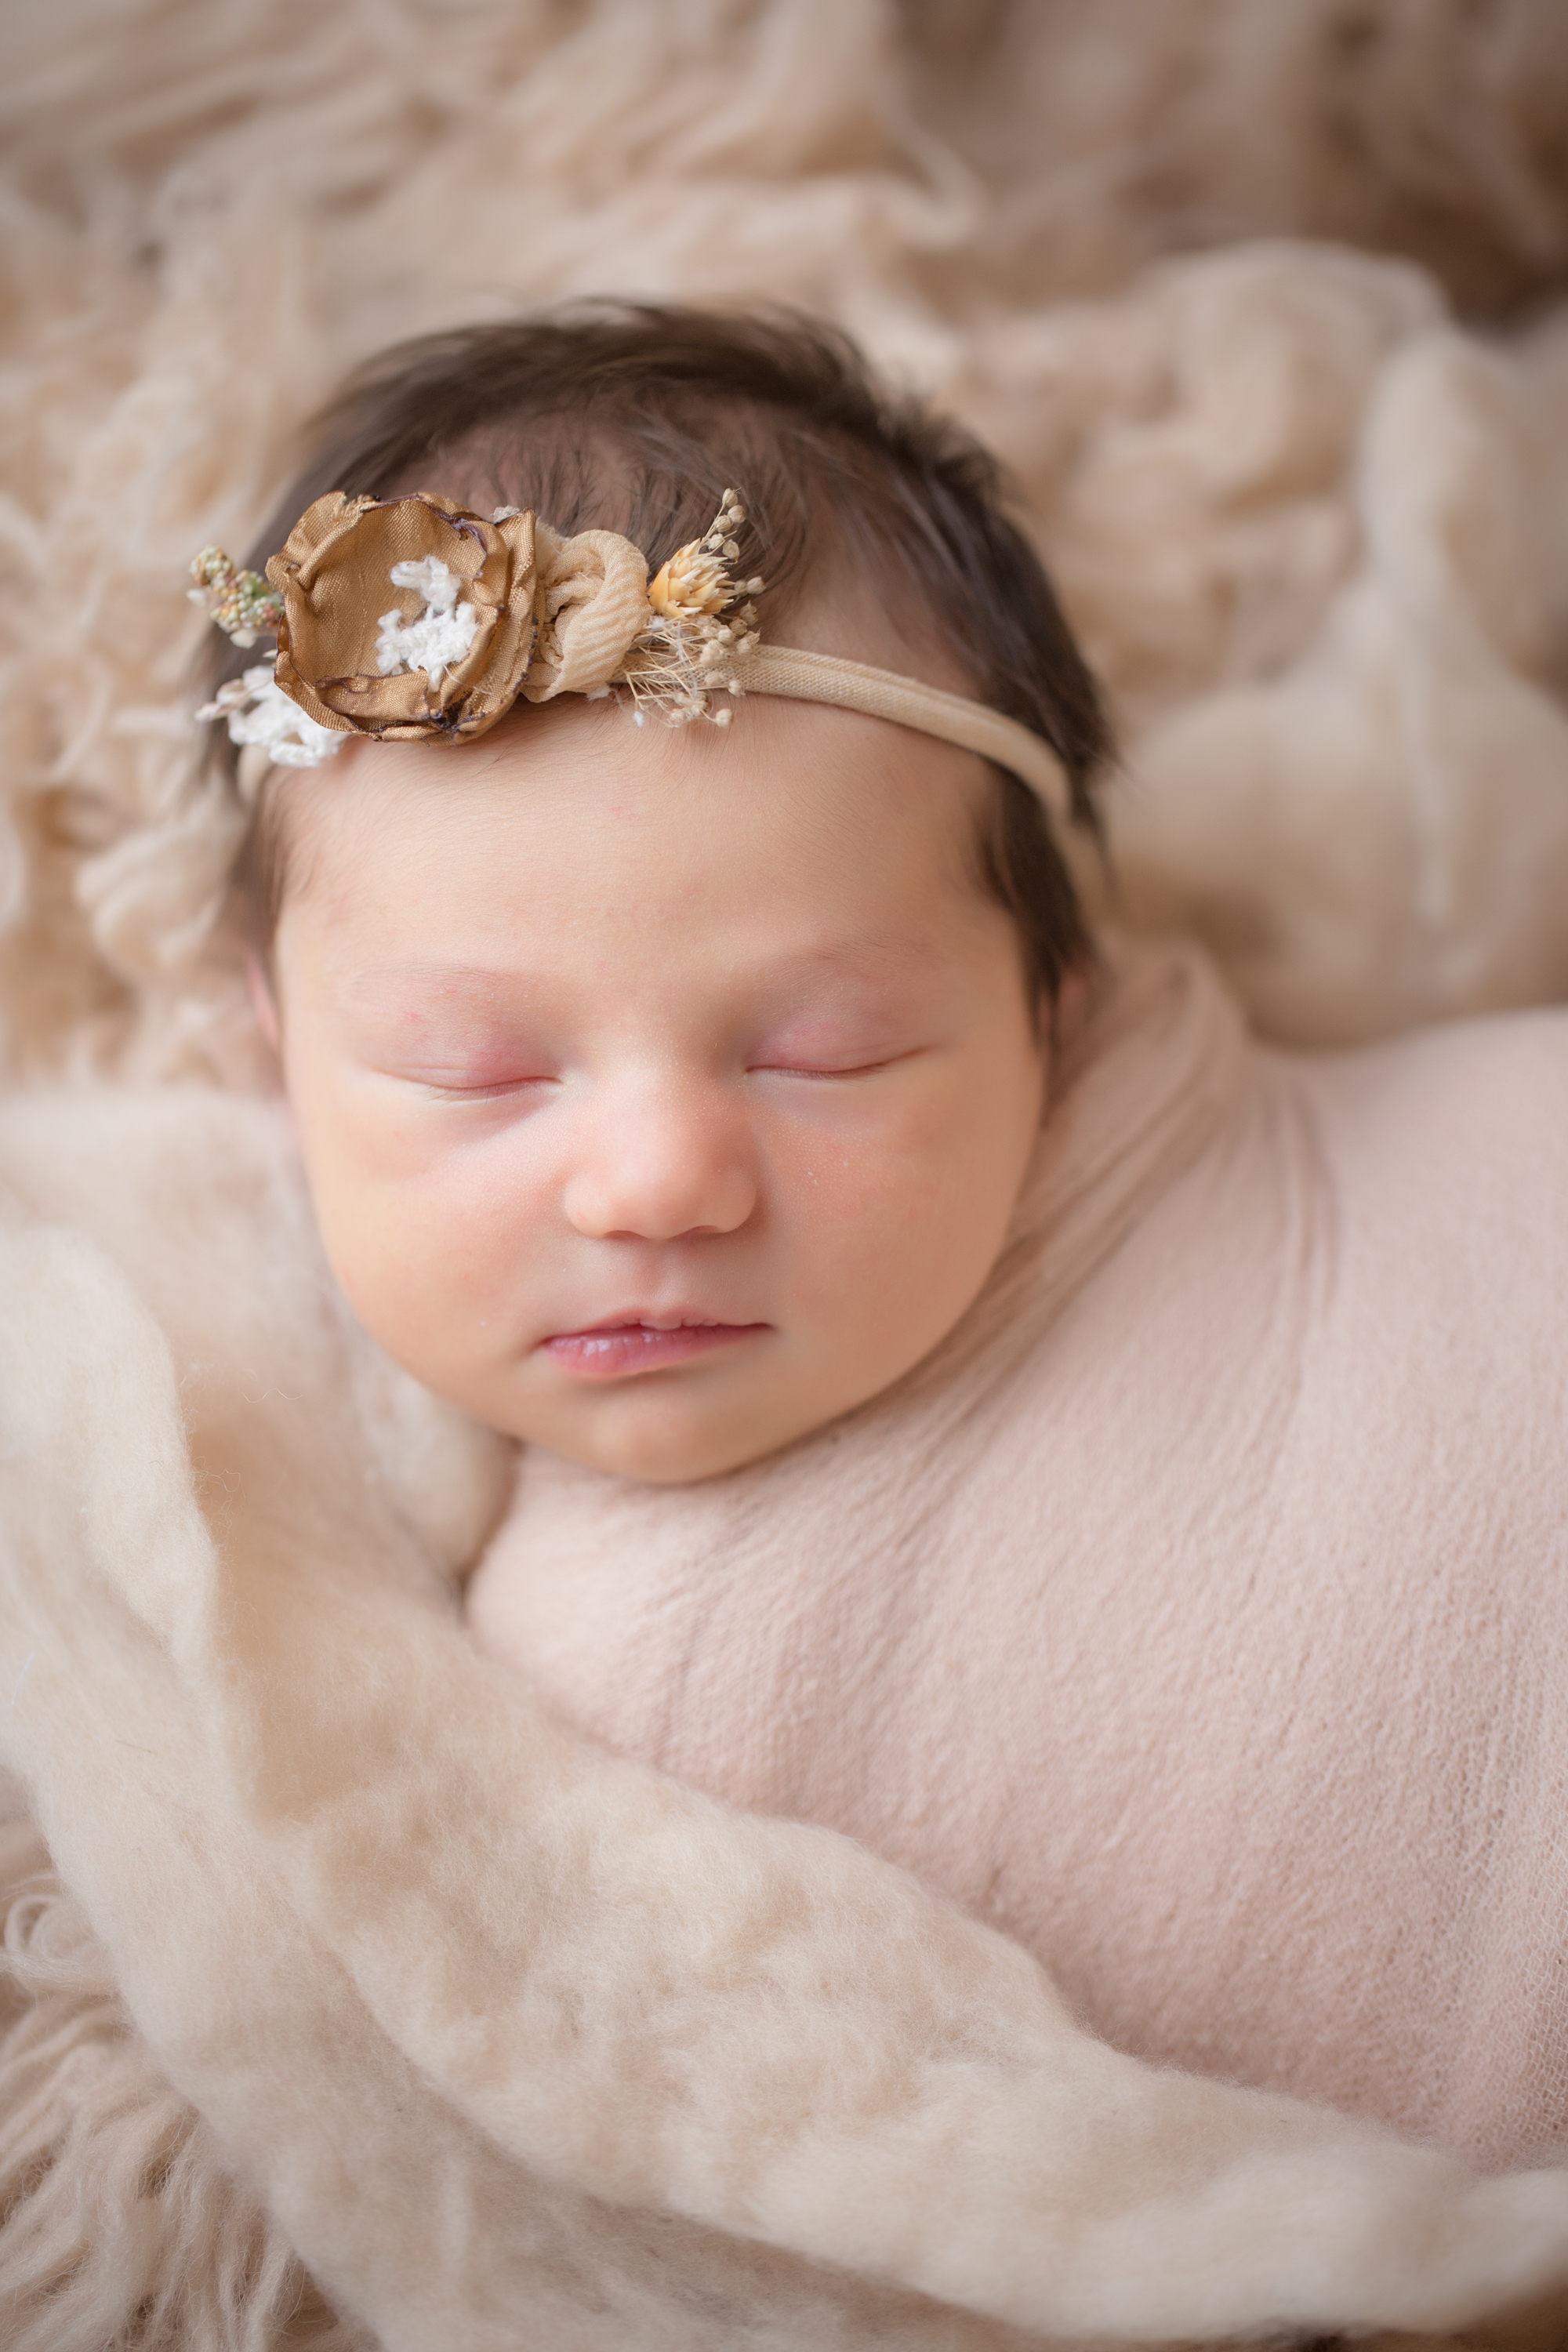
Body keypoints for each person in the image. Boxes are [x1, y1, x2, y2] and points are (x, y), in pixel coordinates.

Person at [198, 303, 1568, 2179]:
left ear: (1054, 1007)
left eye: (821, 1048)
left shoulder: (1231, 1117)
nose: (656, 1182)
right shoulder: (474, 1721)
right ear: (272, 1058)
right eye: (477, 1072)